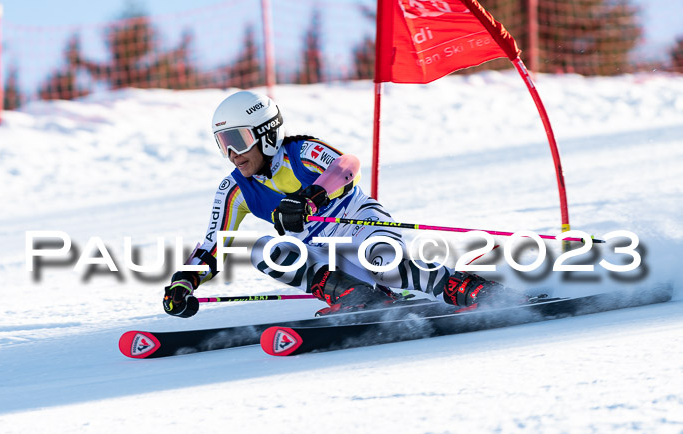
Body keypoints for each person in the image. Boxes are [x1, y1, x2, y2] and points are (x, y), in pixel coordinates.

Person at [163, 90, 507, 318]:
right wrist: (184, 283)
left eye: (238, 140)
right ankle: (357, 297)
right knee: (262, 251)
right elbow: (213, 246)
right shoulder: (234, 189)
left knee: (383, 263)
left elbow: (348, 165)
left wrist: (310, 199)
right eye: (224, 144)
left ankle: (468, 288)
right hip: (326, 256)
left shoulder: (301, 151)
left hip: (361, 226)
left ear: (266, 133)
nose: (233, 154)